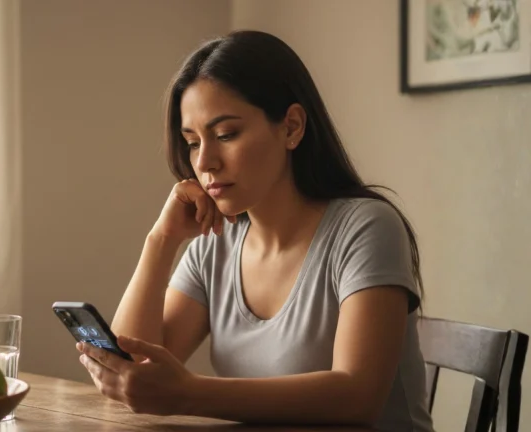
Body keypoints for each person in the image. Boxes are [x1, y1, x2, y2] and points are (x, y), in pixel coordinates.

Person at [75, 30, 434, 432]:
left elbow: (358, 396)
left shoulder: (366, 228)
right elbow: (133, 375)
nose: (205, 162)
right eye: (192, 142)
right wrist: (161, 240)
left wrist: (189, 393)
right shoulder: (214, 245)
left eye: (225, 135)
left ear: (292, 127)